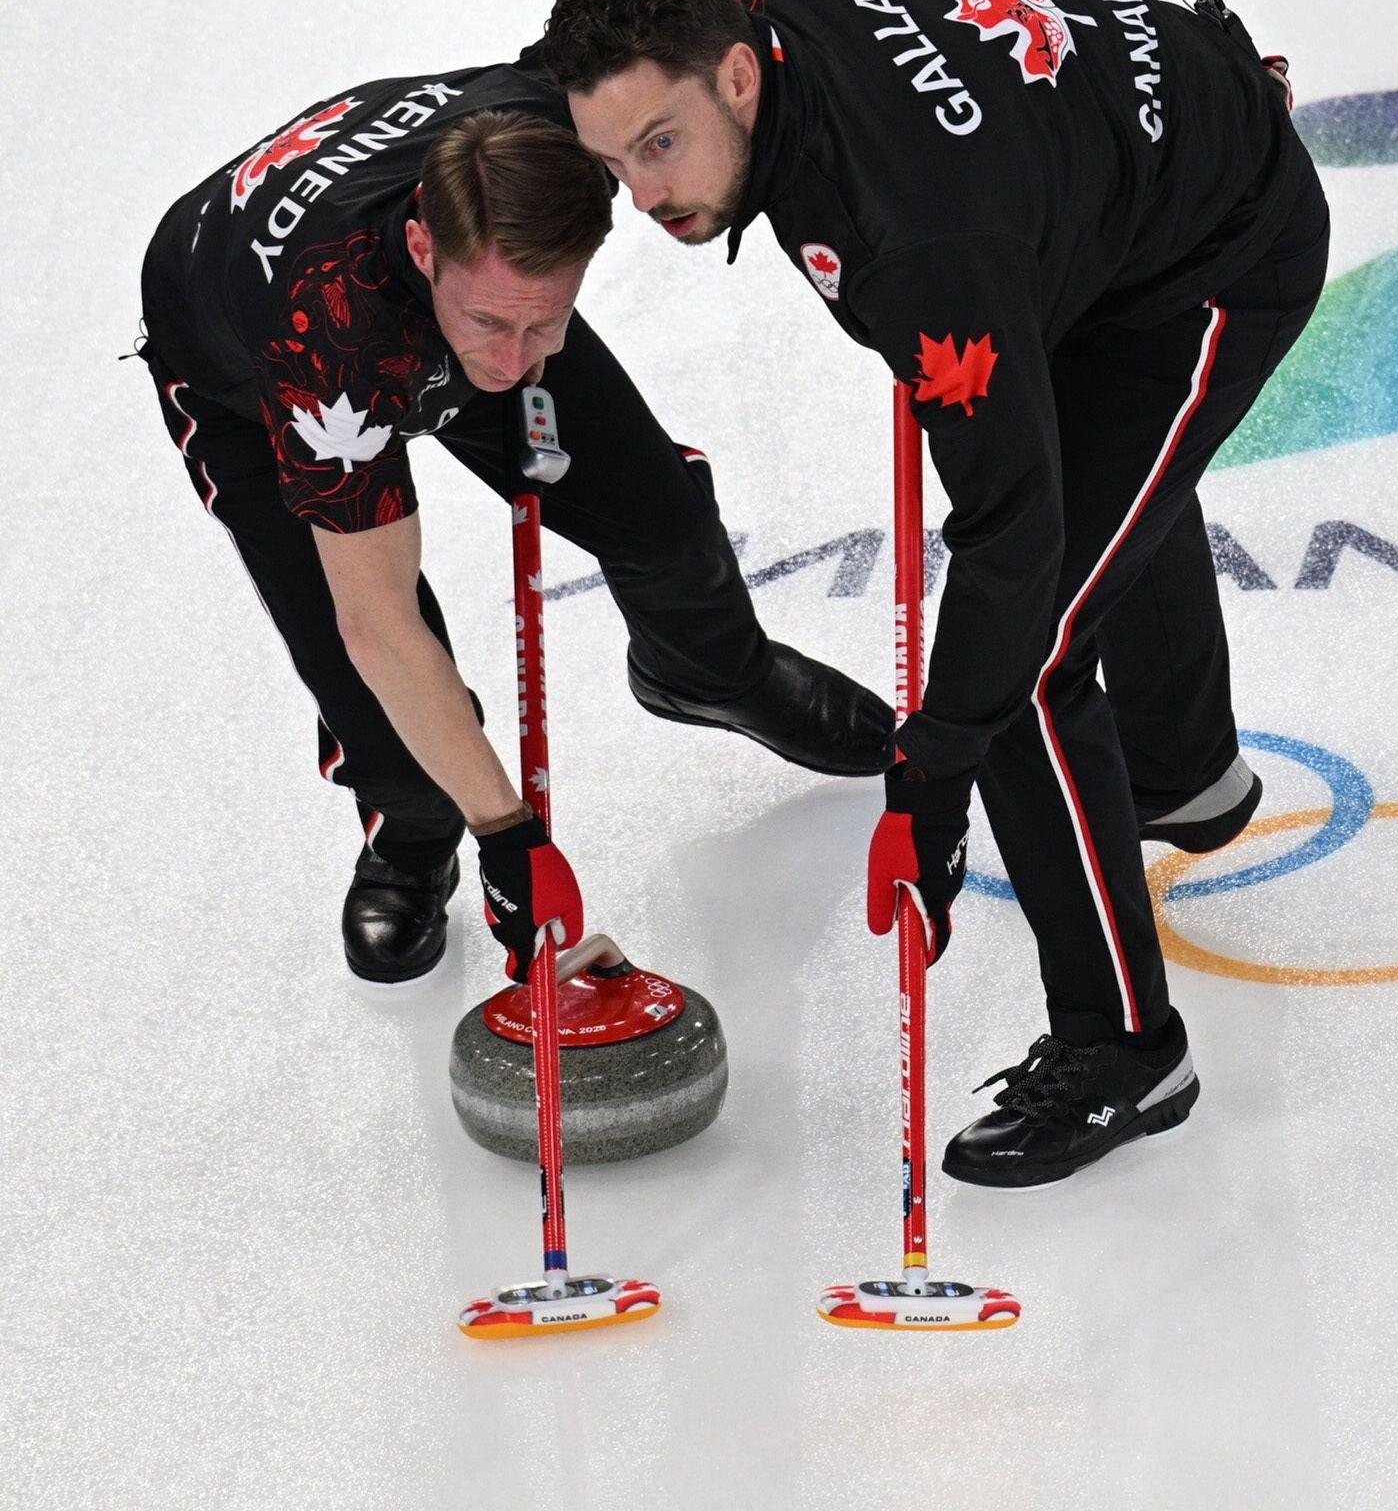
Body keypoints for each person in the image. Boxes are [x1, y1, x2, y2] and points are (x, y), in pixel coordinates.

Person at [535, 0, 1325, 1187]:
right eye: (612, 160)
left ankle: (1124, 1047)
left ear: (736, 74)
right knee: (1095, 485)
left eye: (660, 145)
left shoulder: (917, 243)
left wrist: (932, 774)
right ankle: (1186, 775)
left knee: (1023, 661)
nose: (643, 197)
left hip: (1209, 249)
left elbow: (1013, 543)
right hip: (1084, 190)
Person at [137, 63, 893, 985]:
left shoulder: (559, 133)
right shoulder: (331, 338)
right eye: (492, 323)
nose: (509, 364)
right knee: (357, 663)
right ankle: (411, 832)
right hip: (251, 367)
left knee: (657, 513)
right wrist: (505, 832)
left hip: (440, 279)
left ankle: (711, 673)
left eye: (547, 321)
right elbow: (377, 623)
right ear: (424, 245)